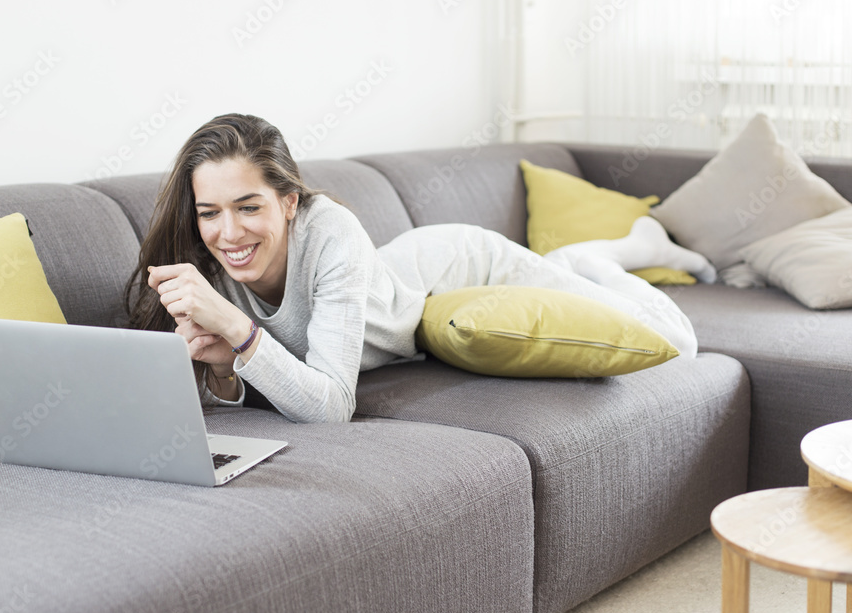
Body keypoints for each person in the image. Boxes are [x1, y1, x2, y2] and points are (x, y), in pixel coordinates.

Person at [125, 113, 715, 424]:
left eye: (248, 207)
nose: (228, 233)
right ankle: (589, 258)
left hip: (463, 265)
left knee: (678, 341)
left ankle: (606, 257)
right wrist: (225, 372)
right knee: (570, 275)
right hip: (404, 274)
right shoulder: (209, 261)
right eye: (210, 213)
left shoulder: (330, 232)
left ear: (288, 201)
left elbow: (330, 408)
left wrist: (237, 329)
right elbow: (240, 390)